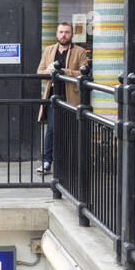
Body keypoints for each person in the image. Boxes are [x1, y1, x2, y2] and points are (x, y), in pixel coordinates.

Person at [37, 21, 89, 173]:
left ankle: (70, 163)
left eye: (67, 32)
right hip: (53, 97)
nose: (64, 35)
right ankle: (47, 162)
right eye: (61, 32)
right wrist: (50, 71)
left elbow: (84, 73)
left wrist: (64, 72)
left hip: (72, 97)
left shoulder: (80, 51)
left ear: (72, 34)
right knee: (51, 130)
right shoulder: (48, 50)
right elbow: (39, 72)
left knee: (72, 130)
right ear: (56, 34)